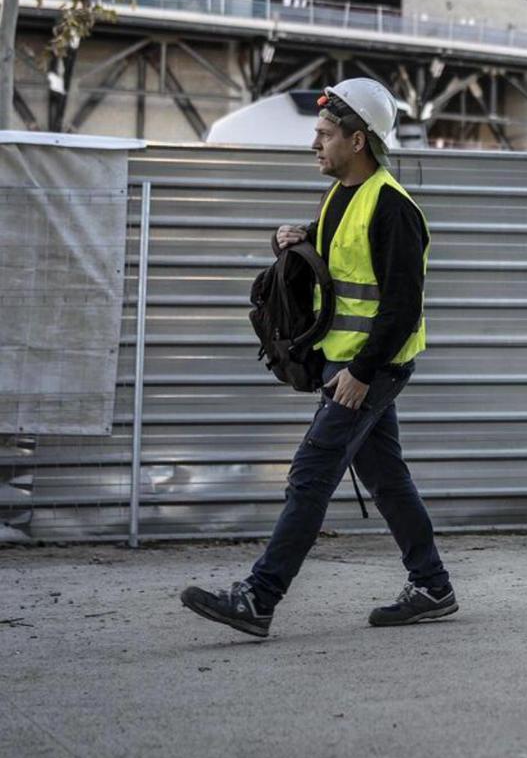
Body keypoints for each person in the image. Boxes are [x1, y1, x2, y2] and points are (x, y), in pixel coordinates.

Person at [180, 79, 456, 638]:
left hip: (370, 369)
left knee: (310, 474)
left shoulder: (392, 209)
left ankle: (258, 599)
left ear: (358, 141)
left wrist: (361, 373)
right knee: (386, 478)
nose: (315, 143)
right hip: (347, 364)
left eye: (326, 135)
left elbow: (403, 309)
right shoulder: (340, 198)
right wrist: (291, 236)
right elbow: (335, 249)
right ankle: (432, 585)